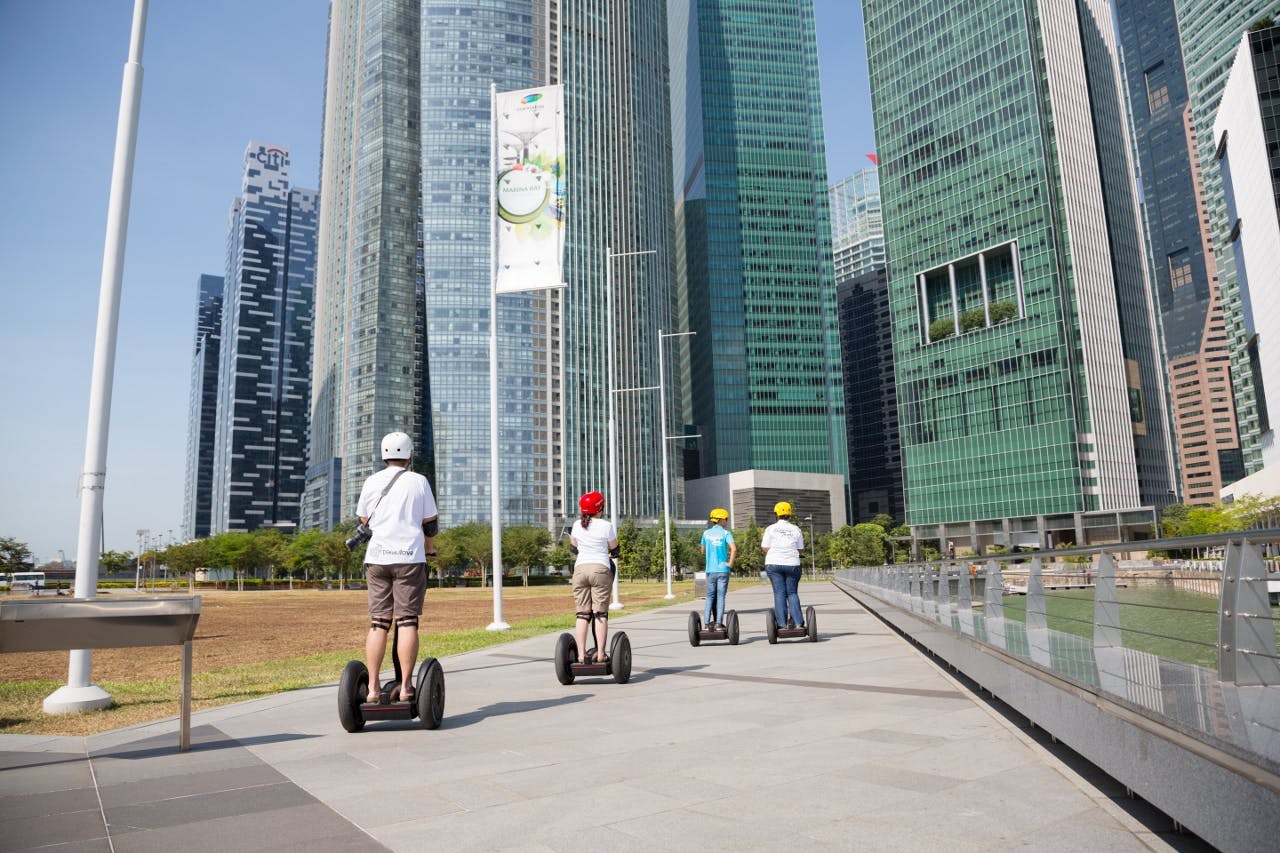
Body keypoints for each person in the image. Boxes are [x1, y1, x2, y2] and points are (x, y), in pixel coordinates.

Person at [356, 431, 438, 703]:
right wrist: (429, 547)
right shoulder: (419, 481)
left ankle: (372, 688)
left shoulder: (371, 481)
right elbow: (430, 523)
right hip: (409, 558)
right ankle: (405, 687)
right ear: (410, 455)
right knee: (406, 621)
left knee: (379, 623)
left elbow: (363, 519)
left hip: (377, 559)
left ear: (384, 455)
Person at [570, 491, 619, 664]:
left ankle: (581, 655)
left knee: (582, 614)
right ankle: (600, 654)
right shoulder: (606, 525)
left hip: (580, 570)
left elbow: (573, 547)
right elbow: (615, 549)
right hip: (600, 570)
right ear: (600, 508)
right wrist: (611, 552)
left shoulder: (577, 525)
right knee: (600, 614)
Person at [761, 501, 805, 629]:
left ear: (776, 514)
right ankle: (798, 623)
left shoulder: (770, 529)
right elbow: (800, 549)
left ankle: (782, 624)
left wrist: (776, 551)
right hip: (792, 564)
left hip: (773, 563)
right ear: (789, 514)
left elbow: (764, 547)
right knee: (792, 593)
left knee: (779, 593)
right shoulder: (796, 529)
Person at [700, 508, 736, 629]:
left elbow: (702, 551)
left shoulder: (706, 533)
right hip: (723, 570)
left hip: (710, 570)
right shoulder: (726, 533)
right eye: (726, 519)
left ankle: (706, 624)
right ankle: (718, 623)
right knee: (721, 596)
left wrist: (710, 552)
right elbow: (734, 549)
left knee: (710, 596)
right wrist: (730, 563)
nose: (727, 521)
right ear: (721, 520)